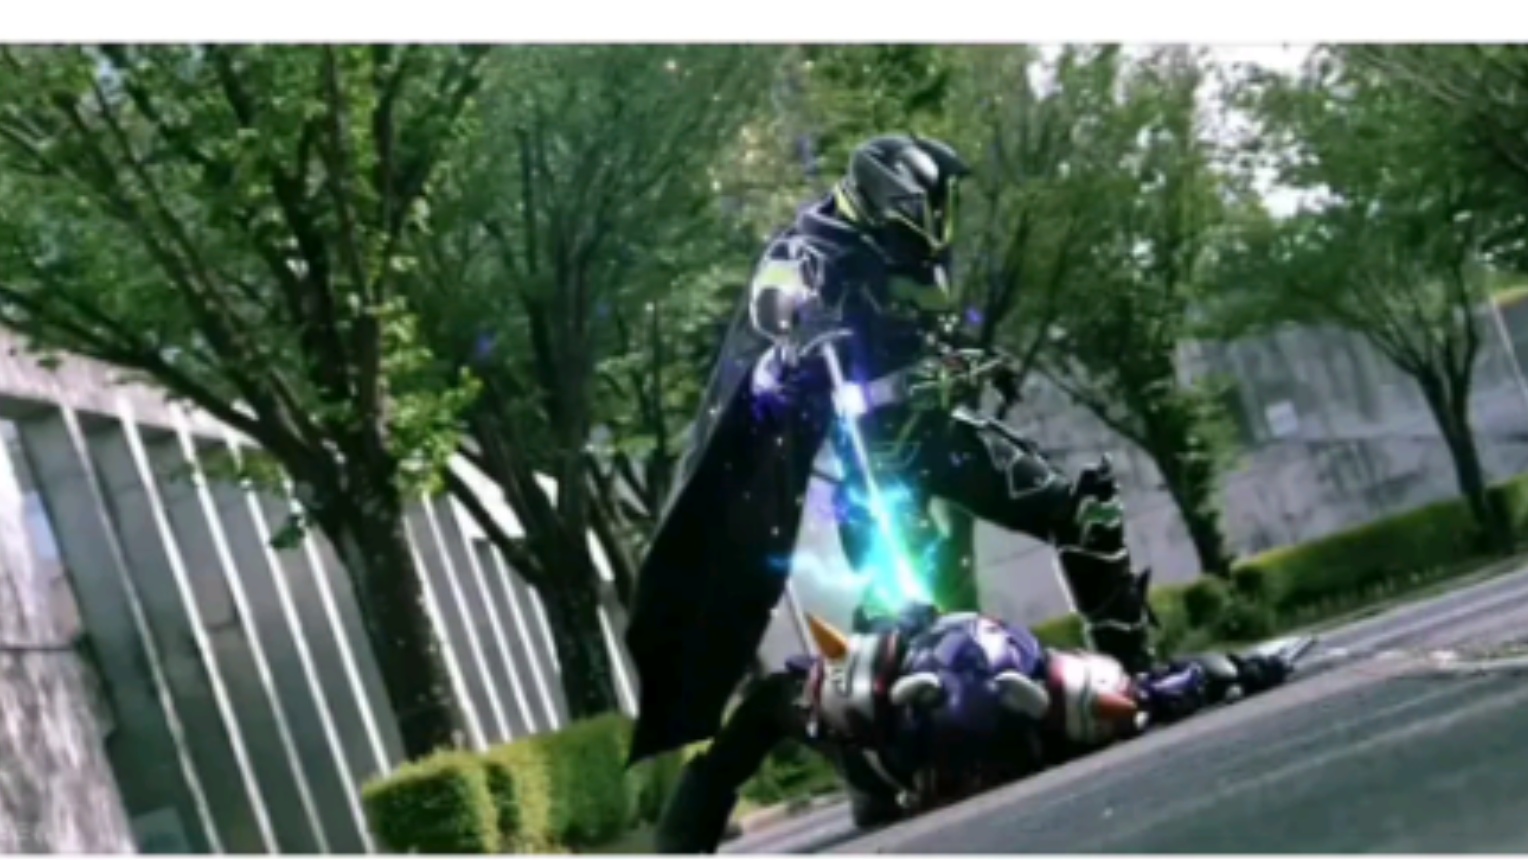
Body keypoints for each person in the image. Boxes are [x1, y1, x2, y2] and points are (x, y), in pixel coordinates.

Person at [624, 134, 1157, 770]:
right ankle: (878, 764)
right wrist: (798, 324)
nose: (939, 215)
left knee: (1084, 514)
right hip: (874, 455)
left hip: (940, 433)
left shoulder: (915, 254)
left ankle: (1133, 675)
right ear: (888, 198)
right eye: (926, 201)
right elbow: (772, 303)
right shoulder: (810, 244)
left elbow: (927, 337)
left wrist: (966, 362)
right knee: (897, 608)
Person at [653, 606, 1296, 853]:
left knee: (1124, 697)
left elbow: (1152, 690)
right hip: (884, 754)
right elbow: (776, 702)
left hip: (949, 729)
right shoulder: (856, 716)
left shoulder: (1051, 705)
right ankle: (678, 842)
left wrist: (1235, 671)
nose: (963, 790)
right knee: (776, 700)